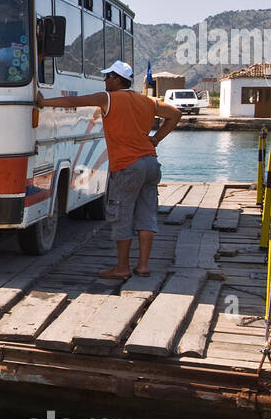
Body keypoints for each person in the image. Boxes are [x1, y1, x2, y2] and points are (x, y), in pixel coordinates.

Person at [36, 60, 181, 279]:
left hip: (127, 166)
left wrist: (43, 102)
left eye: (108, 77)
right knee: (147, 216)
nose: (104, 80)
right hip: (151, 163)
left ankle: (122, 268)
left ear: (119, 80)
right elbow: (175, 114)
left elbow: (76, 101)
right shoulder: (147, 101)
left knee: (121, 215)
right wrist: (156, 139)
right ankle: (143, 266)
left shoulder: (108, 98)